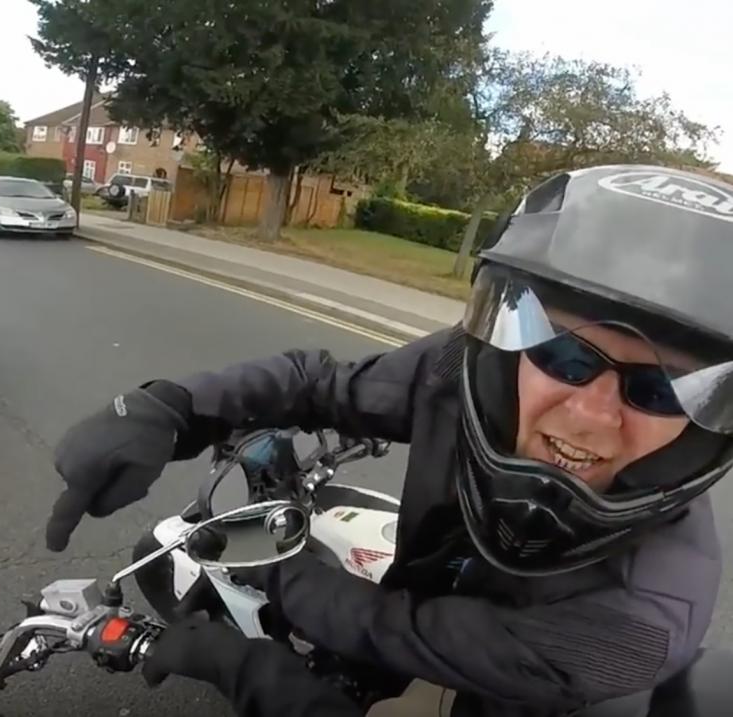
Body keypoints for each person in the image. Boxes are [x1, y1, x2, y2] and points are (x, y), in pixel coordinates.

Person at [45, 165, 733, 716]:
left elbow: (395, 629)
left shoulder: (636, 625)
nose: (588, 416)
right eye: (565, 356)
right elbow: (324, 385)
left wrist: (252, 646)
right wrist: (173, 407)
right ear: (510, 346)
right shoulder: (464, 374)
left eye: (664, 389)